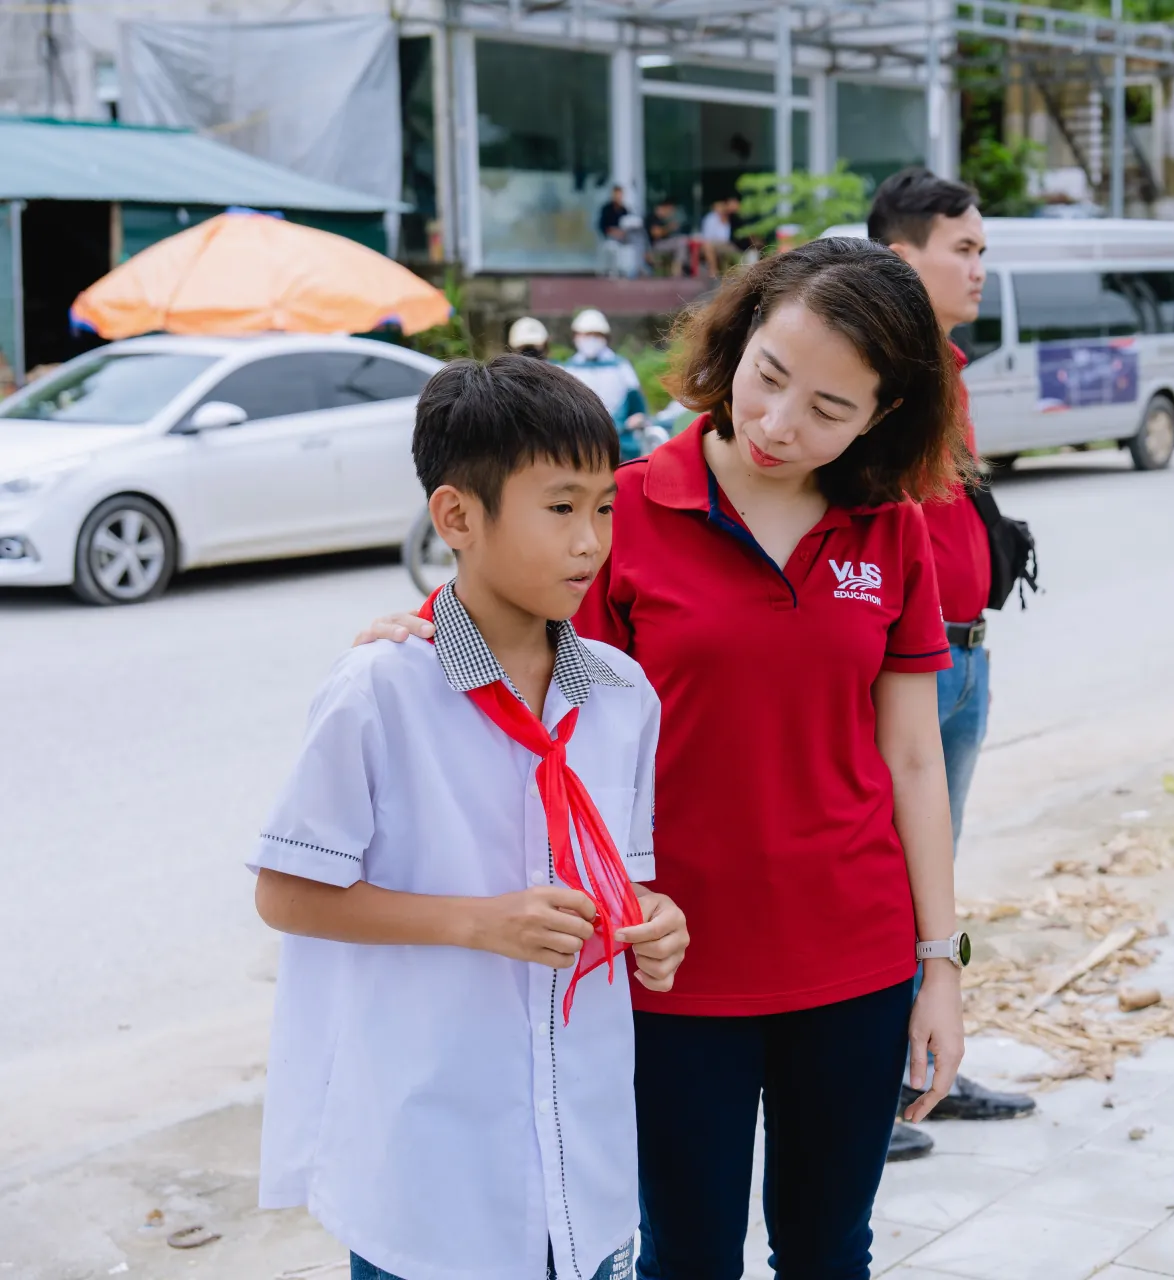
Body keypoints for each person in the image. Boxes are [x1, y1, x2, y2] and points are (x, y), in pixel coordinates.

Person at [358, 237, 970, 1279]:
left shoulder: (891, 530)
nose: (780, 422)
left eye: (830, 407)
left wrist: (942, 962)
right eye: (769, 376)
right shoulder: (625, 510)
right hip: (667, 966)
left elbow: (914, 758)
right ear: (737, 338)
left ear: (883, 415)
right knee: (686, 1254)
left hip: (854, 961)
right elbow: (505, 646)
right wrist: (412, 631)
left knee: (832, 1250)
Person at [250, 355, 691, 1280]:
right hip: (432, 1167)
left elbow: (627, 877)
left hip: (586, 1156)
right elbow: (288, 895)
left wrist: (655, 921)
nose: (592, 542)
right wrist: (479, 922)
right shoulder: (382, 690)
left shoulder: (621, 694)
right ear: (457, 517)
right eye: (561, 508)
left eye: (606, 507)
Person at [869, 166, 1038, 1158]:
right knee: (890, 871)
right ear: (902, 256)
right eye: (963, 251)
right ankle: (869, 1079)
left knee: (936, 869)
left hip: (964, 652)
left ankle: (924, 1058)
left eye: (983, 251)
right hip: (906, 666)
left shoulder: (947, 366)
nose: (980, 270)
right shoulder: (871, 368)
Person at [560, 309, 650, 462]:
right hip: (582, 445)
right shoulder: (569, 369)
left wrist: (638, 419)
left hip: (621, 443)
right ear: (576, 337)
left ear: (605, 337)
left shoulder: (621, 367)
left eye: (595, 335)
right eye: (586, 335)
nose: (590, 340)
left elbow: (638, 407)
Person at [645, 198, 690, 277]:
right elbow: (656, 233)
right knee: (681, 242)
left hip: (666, 243)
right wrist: (670, 227)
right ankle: (677, 270)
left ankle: (680, 268)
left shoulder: (664, 219)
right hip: (656, 245)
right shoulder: (652, 217)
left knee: (683, 241)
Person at [699, 195, 742, 276]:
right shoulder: (711, 218)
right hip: (714, 243)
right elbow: (707, 237)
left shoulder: (731, 218)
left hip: (728, 244)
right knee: (708, 246)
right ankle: (713, 271)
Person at [598, 185, 633, 279]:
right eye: (616, 194)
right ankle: (611, 271)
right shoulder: (606, 209)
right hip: (610, 238)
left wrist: (622, 233)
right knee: (611, 247)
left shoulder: (625, 210)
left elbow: (629, 226)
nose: (618, 197)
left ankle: (627, 270)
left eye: (620, 194)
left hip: (623, 239)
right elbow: (602, 226)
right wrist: (612, 232)